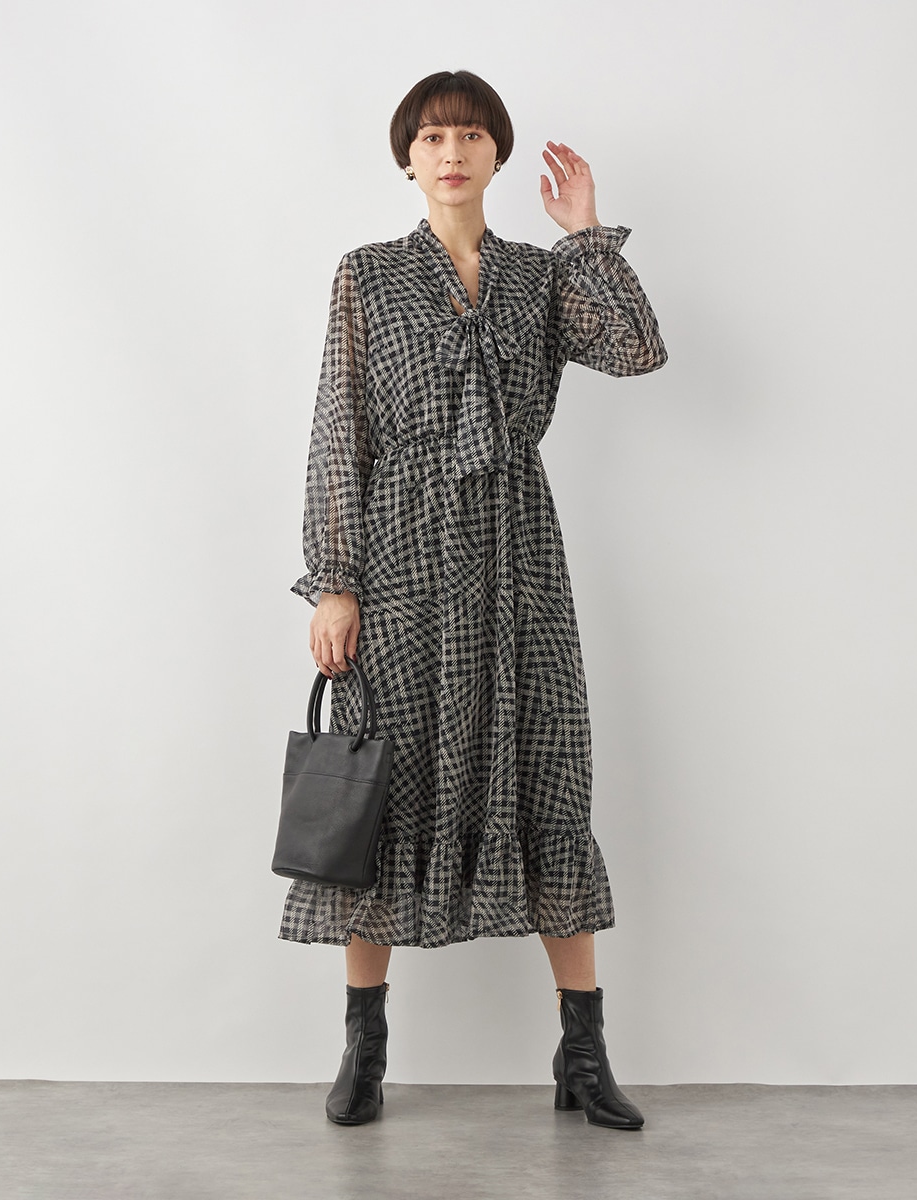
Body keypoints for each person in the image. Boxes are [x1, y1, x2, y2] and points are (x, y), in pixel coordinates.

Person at [281, 69, 667, 1129]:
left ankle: (582, 1053)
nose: (450, 154)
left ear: (497, 153)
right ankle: (364, 1047)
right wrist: (335, 582)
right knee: (384, 783)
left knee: (547, 770)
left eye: (468, 136)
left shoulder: (539, 277)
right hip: (398, 554)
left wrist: (586, 238)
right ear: (406, 158)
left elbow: (636, 351)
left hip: (517, 548)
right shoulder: (367, 275)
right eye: (431, 138)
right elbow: (338, 428)